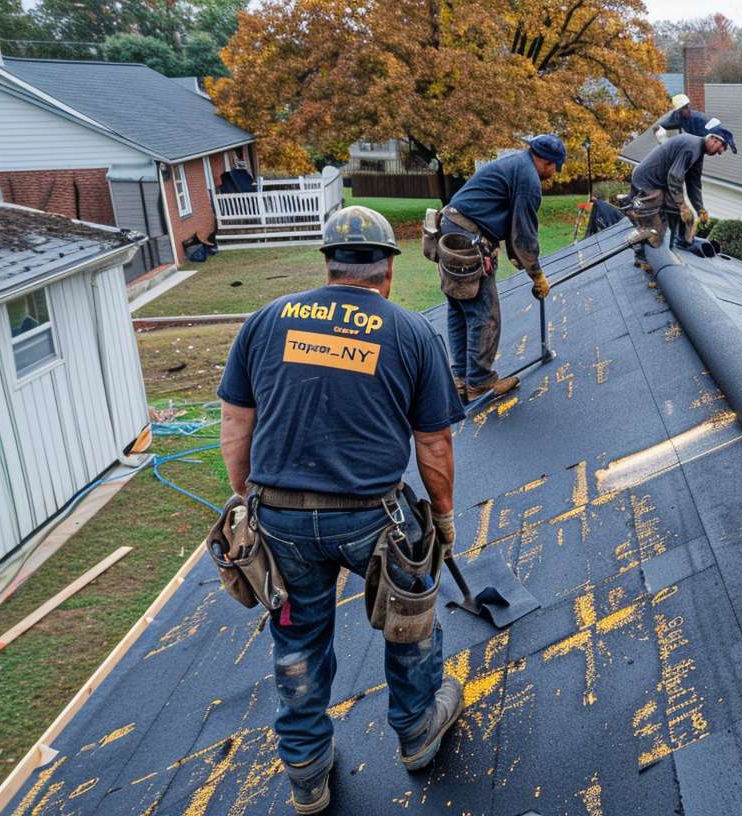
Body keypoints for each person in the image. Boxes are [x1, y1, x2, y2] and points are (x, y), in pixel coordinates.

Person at [218, 206, 466, 814]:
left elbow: (235, 425)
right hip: (372, 518)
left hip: (281, 519)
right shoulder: (409, 331)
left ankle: (307, 772)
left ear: (329, 263)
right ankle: (416, 731)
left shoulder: (266, 321)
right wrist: (441, 518)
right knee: (409, 621)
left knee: (297, 638)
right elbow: (434, 443)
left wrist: (250, 502)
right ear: (388, 271)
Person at [440, 135, 564, 402]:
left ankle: (460, 379)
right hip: (469, 237)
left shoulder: (515, 164)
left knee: (460, 307)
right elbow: (524, 234)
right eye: (556, 167)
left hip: (450, 227)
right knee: (485, 313)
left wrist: (516, 258)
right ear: (546, 161)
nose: (554, 174)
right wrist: (536, 274)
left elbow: (511, 227)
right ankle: (480, 383)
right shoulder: (528, 179)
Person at [629, 124, 735, 251]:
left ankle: (683, 242)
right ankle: (638, 250)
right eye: (722, 148)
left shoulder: (698, 151)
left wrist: (700, 209)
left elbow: (694, 183)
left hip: (660, 184)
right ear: (714, 140)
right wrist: (682, 205)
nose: (720, 152)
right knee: (657, 231)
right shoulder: (692, 147)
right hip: (647, 182)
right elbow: (674, 177)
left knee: (683, 214)